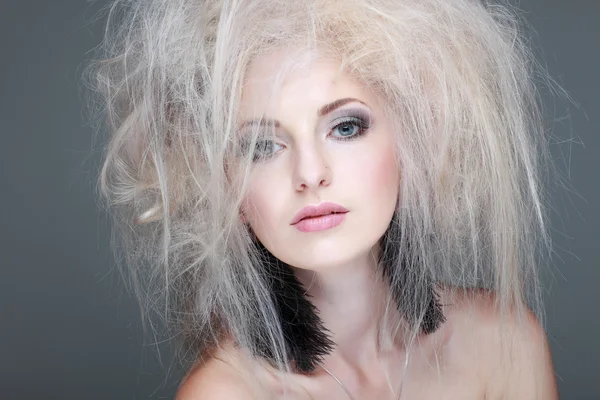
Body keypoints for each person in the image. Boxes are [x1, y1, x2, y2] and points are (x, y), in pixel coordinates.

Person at [86, 0, 562, 398]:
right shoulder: (226, 393)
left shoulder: (504, 344)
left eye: (346, 127)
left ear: (413, 137)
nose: (310, 175)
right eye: (262, 147)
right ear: (222, 185)